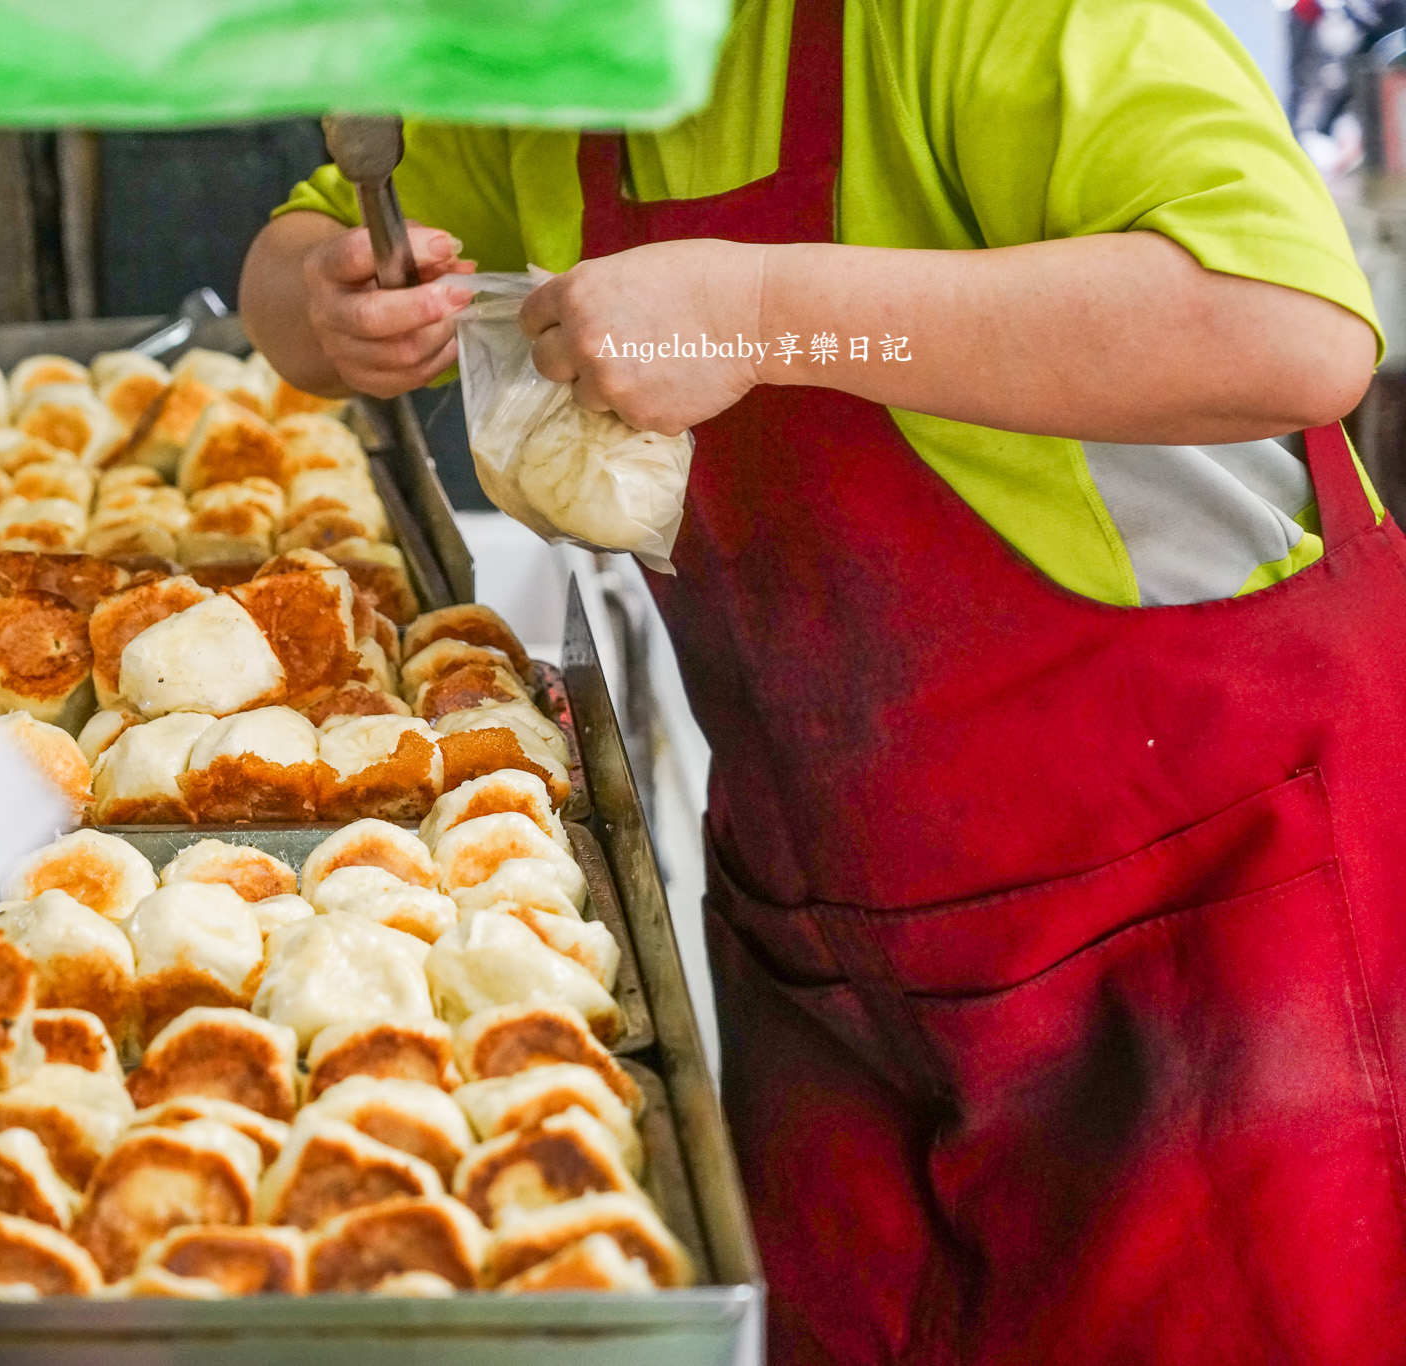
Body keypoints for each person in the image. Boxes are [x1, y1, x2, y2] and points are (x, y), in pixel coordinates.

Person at [239, 0, 1406, 1360]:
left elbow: (1294, 330)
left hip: (1196, 932)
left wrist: (771, 314)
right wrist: (329, 300)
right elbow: (297, 257)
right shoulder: (550, 57)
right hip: (832, 947)